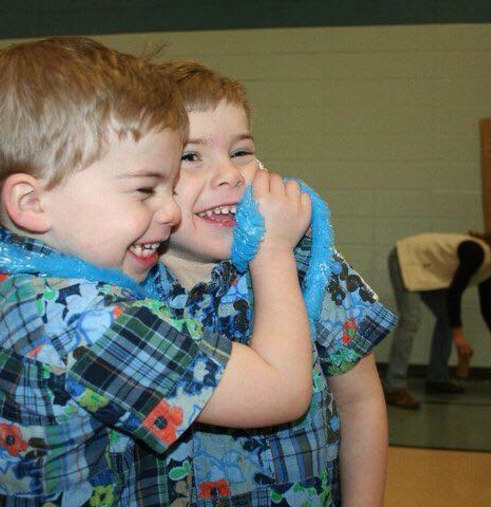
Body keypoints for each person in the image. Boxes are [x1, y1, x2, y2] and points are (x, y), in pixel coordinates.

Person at [0, 36, 315, 505]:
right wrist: (274, 249)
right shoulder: (88, 321)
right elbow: (281, 392)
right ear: (32, 203)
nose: (170, 212)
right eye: (145, 190)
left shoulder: (8, 269)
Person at [146, 60, 396, 506]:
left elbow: (361, 402)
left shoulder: (309, 264)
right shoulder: (123, 288)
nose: (229, 175)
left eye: (240, 152)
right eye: (190, 156)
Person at [383, 225, 491, 409]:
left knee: (446, 318)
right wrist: (458, 335)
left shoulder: (486, 264)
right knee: (411, 319)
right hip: (406, 259)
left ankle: (437, 378)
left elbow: (487, 305)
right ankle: (394, 386)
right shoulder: (476, 252)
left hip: (427, 270)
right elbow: (455, 293)